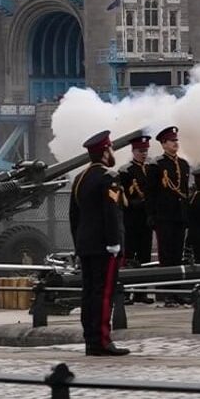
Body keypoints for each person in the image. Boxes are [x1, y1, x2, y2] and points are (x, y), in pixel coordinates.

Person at [69, 130, 128, 356]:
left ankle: (90, 340)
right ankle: (103, 340)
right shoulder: (109, 177)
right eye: (110, 148)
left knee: (89, 293)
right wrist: (114, 243)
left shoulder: (79, 179)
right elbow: (111, 212)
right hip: (105, 246)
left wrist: (78, 244)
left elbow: (74, 217)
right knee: (104, 294)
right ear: (105, 152)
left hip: (86, 245)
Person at [146, 126, 189, 270]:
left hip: (179, 215)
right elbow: (150, 193)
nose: (175, 143)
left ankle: (178, 288)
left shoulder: (183, 164)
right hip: (164, 217)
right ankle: (166, 291)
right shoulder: (156, 165)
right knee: (166, 255)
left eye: (176, 140)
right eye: (171, 141)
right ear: (163, 144)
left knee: (178, 254)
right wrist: (152, 215)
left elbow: (184, 191)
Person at [117, 131, 154, 303]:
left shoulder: (151, 169)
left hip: (146, 218)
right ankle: (125, 292)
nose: (143, 154)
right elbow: (122, 196)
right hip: (131, 218)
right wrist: (134, 204)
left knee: (145, 256)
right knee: (129, 256)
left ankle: (141, 292)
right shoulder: (126, 171)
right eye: (140, 151)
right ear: (134, 151)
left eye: (145, 150)